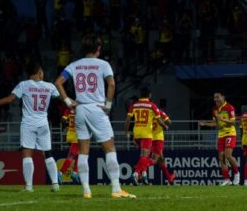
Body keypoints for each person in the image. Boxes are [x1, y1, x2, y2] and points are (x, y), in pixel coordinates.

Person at [55, 34, 135, 199]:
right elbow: (111, 84)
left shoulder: (74, 65)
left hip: (80, 110)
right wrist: (108, 105)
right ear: (98, 48)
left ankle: (86, 191)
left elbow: (58, 83)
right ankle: (116, 189)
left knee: (83, 151)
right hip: (96, 109)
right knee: (110, 147)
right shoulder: (103, 64)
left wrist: (68, 101)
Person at [0, 62, 60, 192]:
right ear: (38, 72)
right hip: (43, 124)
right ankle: (55, 184)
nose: (43, 73)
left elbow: (9, 100)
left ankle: (29, 186)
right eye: (41, 71)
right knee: (47, 154)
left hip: (28, 124)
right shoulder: (50, 86)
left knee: (27, 154)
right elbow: (60, 98)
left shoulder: (23, 85)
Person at [125, 87, 166, 185]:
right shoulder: (152, 106)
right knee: (144, 156)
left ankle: (144, 175)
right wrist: (165, 126)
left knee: (144, 155)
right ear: (150, 95)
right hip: (146, 134)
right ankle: (136, 173)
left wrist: (126, 132)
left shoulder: (134, 105)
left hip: (136, 133)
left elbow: (128, 119)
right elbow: (159, 120)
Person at [199, 91, 240, 186]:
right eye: (214, 97)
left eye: (217, 97)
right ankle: (227, 179)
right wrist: (205, 124)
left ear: (223, 97)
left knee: (228, 156)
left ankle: (237, 174)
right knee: (221, 157)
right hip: (221, 135)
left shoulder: (230, 107)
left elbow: (233, 122)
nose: (216, 99)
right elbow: (216, 124)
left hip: (230, 133)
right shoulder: (215, 109)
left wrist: (223, 119)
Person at [143, 109, 175, 185]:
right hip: (158, 139)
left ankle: (169, 178)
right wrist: (165, 123)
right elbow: (169, 122)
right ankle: (139, 169)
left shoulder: (148, 113)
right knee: (154, 160)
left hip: (150, 137)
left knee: (161, 159)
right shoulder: (159, 112)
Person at [58, 107, 80, 184]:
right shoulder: (82, 109)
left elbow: (63, 120)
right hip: (77, 136)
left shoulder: (68, 109)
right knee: (71, 157)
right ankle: (60, 173)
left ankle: (74, 173)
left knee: (78, 156)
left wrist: (65, 127)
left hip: (70, 135)